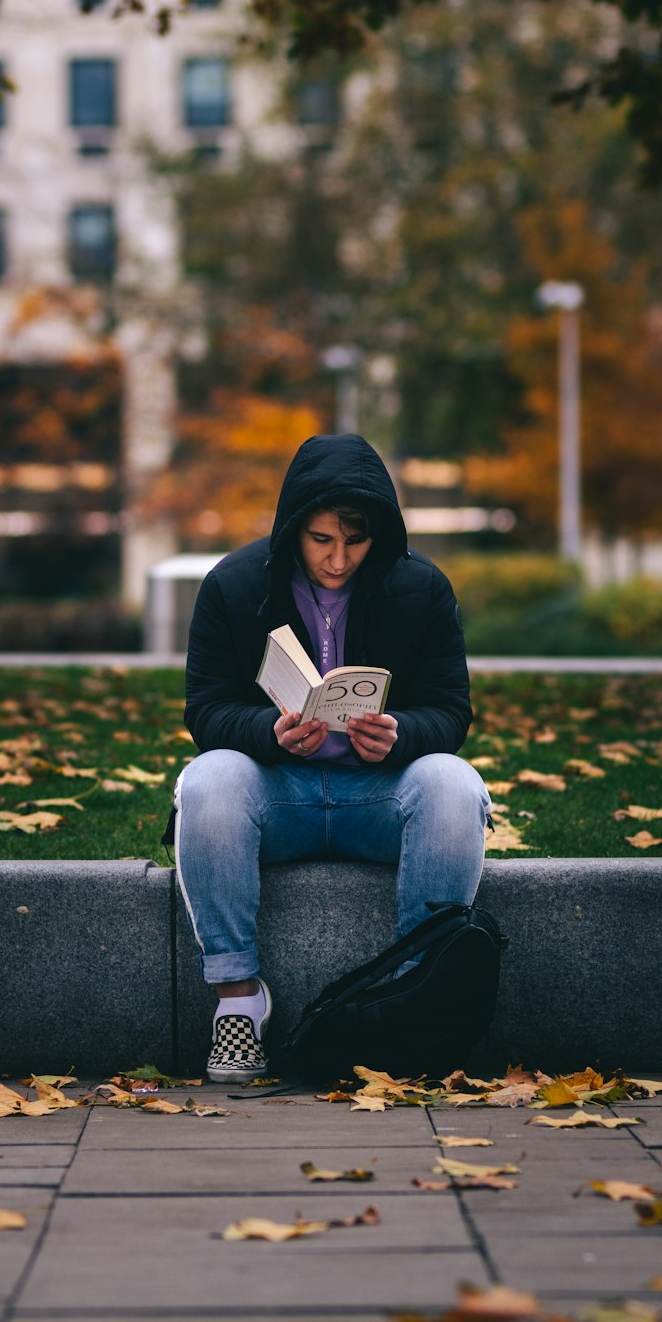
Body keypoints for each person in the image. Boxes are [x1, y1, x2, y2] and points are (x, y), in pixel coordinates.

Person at [173, 433, 490, 1081]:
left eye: (356, 541)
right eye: (322, 540)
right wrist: (270, 733)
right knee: (207, 780)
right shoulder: (234, 586)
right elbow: (205, 710)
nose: (340, 560)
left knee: (454, 784)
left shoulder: (420, 588)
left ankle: (413, 992)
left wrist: (401, 734)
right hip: (277, 794)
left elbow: (451, 710)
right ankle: (238, 1004)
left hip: (377, 797)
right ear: (293, 527)